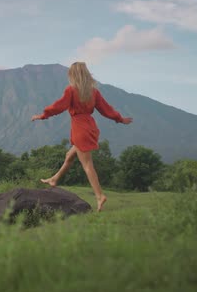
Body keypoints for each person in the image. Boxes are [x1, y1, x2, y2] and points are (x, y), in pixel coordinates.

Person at [31, 62, 133, 212]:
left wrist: (43, 115)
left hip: (80, 128)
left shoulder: (71, 90)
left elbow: (58, 106)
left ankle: (99, 195)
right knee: (69, 156)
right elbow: (106, 109)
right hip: (90, 127)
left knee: (87, 165)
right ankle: (54, 179)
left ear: (73, 75)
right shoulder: (93, 92)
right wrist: (119, 119)